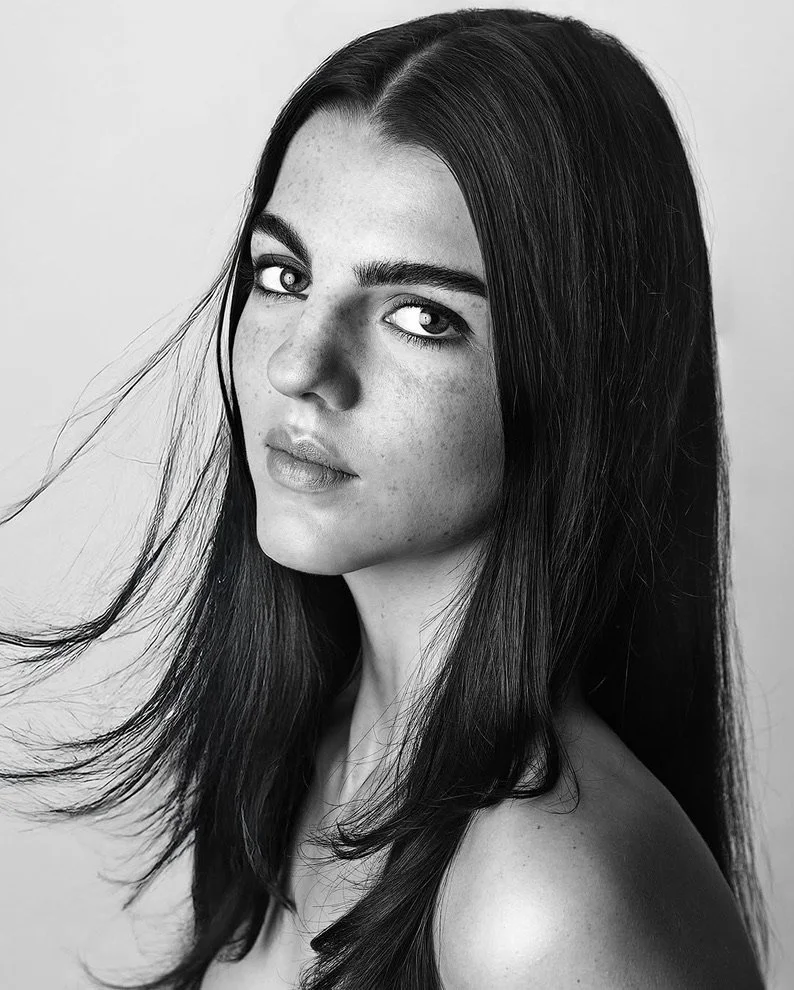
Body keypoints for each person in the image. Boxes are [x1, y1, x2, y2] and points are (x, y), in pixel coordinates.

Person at [0, 7, 771, 990]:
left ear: (579, 372)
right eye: (282, 274)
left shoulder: (539, 900)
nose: (297, 365)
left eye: (418, 314)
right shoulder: (308, 752)